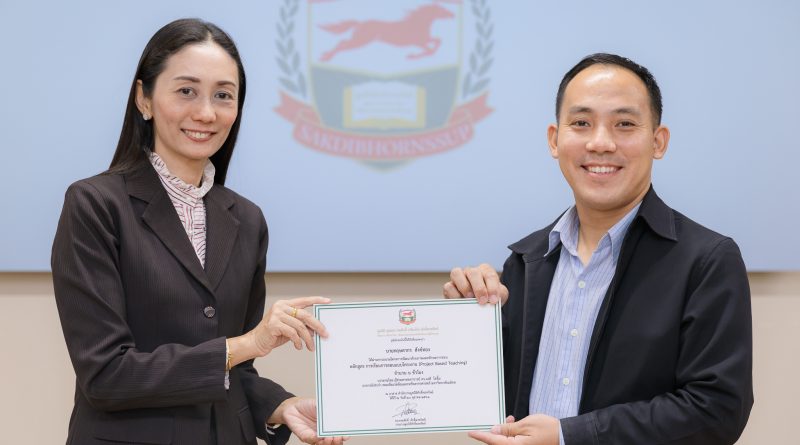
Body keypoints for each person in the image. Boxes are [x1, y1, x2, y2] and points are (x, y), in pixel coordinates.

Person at [52, 19, 344, 445]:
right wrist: (249, 343)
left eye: (223, 95)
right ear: (144, 98)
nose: (207, 113)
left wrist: (280, 405)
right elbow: (106, 374)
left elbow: (234, 371)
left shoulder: (248, 219)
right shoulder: (95, 205)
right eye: (186, 91)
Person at [443, 53, 753, 444]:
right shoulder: (527, 261)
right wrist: (468, 324)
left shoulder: (706, 261)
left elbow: (717, 410)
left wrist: (568, 436)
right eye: (581, 123)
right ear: (555, 140)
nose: (601, 143)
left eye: (624, 124)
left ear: (658, 141)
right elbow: (492, 397)